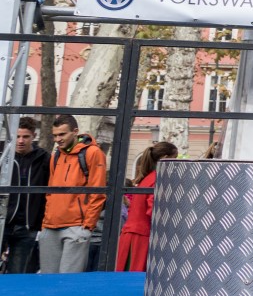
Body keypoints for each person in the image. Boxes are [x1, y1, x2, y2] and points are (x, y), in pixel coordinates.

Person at [37, 115, 106, 273]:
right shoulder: (56, 155)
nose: (57, 139)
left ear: (75, 132)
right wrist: (45, 224)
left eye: (62, 134)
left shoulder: (92, 153)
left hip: (76, 226)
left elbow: (98, 192)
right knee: (48, 281)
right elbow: (50, 191)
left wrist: (87, 226)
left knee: (68, 281)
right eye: (55, 135)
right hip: (51, 226)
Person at [115, 142, 177, 272]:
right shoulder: (158, 178)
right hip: (141, 238)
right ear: (165, 158)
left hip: (132, 235)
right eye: (175, 159)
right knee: (137, 279)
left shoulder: (148, 178)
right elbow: (154, 210)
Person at [3, 118, 47, 273]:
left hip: (28, 226)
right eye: (17, 136)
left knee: (18, 274)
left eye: (25, 136)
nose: (21, 141)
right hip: (3, 222)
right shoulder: (4, 156)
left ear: (34, 136)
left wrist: (40, 221)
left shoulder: (43, 158)